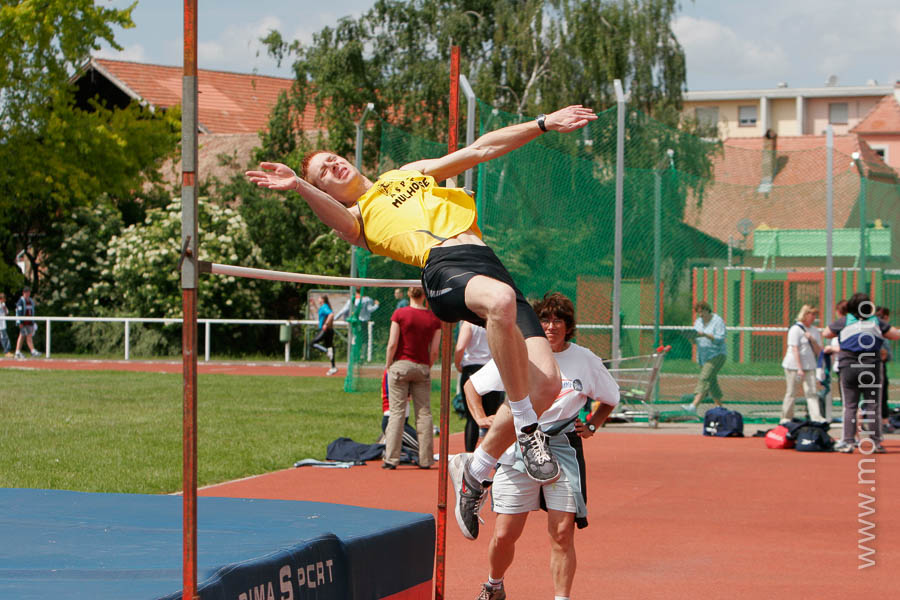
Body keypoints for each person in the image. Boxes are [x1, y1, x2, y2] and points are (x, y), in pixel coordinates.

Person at [247, 105, 598, 529]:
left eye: (333, 159)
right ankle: (527, 430)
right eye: (323, 172)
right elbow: (340, 221)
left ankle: (476, 468)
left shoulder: (405, 173)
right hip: (444, 269)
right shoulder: (356, 218)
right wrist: (302, 186)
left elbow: (481, 149)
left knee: (548, 384)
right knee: (501, 303)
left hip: (485, 260)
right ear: (324, 189)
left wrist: (542, 124)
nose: (333, 166)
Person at [460, 292, 619, 598]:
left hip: (561, 448)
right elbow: (472, 386)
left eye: (558, 320)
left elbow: (610, 398)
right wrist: (482, 418)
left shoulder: (585, 360)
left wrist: (592, 425)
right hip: (519, 445)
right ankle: (494, 584)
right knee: (505, 534)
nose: (551, 326)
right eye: (544, 319)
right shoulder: (521, 353)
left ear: (568, 326)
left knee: (561, 533)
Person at [823, 292, 900, 454]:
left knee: (850, 406)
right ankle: (876, 443)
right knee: (873, 405)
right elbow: (895, 335)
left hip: (848, 367)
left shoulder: (845, 321)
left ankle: (848, 442)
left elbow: (826, 333)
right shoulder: (876, 322)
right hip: (871, 368)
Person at [383, 286, 442, 469]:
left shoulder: (400, 314)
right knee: (424, 413)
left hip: (400, 365)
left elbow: (392, 343)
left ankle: (391, 459)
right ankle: (426, 459)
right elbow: (434, 350)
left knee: (397, 413)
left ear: (409, 293)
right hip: (421, 366)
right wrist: (427, 366)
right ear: (424, 295)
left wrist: (388, 364)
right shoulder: (433, 319)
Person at [455, 321, 505, 452]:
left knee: (472, 417)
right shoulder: (493, 322)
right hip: (491, 368)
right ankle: (492, 454)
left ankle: (470, 454)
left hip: (472, 368)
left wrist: (457, 364)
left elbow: (460, 347)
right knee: (492, 416)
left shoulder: (469, 324)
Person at [780, 305, 825, 423]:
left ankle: (816, 418)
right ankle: (786, 418)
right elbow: (795, 349)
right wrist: (799, 368)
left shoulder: (814, 330)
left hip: (810, 366)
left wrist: (812, 340)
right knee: (791, 392)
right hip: (793, 366)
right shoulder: (795, 329)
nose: (813, 317)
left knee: (811, 392)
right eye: (811, 314)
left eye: (815, 314)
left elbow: (818, 351)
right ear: (805, 315)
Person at [682, 301, 726, 412]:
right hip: (703, 357)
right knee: (711, 382)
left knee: (704, 378)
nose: (701, 315)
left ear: (707, 310)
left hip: (717, 355)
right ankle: (720, 408)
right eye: (698, 312)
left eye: (702, 312)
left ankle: (693, 406)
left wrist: (705, 335)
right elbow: (696, 340)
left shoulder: (717, 321)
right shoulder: (698, 322)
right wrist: (691, 337)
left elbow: (720, 339)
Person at [876, 306, 894, 434]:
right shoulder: (880, 330)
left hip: (878, 366)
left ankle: (882, 422)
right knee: (879, 395)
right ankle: (883, 422)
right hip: (877, 366)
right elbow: (884, 353)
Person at [310, 294, 337, 375]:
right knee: (330, 348)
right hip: (329, 330)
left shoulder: (324, 306)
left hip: (325, 330)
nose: (318, 299)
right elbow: (320, 312)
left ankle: (326, 351)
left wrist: (325, 324)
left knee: (312, 343)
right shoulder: (323, 307)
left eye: (319, 298)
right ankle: (333, 367)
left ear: (322, 299)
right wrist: (314, 305)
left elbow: (331, 314)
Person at [14, 286, 40, 360]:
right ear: (23, 293)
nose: (28, 294)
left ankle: (18, 351)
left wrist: (33, 321)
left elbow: (32, 312)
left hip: (29, 322)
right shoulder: (21, 301)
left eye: (29, 292)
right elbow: (19, 312)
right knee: (26, 336)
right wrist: (19, 322)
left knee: (24, 336)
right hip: (23, 322)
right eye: (26, 292)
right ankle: (32, 350)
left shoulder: (30, 301)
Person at [0, 292, 12, 357]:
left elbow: (7, 313)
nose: (5, 300)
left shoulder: (3, 305)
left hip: (3, 324)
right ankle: (6, 351)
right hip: (0, 325)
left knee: (4, 337)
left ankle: (7, 351)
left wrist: (4, 308)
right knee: (4, 337)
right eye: (4, 299)